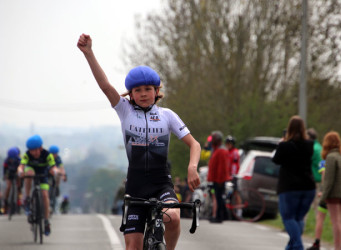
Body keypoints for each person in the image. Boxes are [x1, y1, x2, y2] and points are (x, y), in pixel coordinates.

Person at [77, 33, 201, 250]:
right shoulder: (124, 111)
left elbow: (195, 144)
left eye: (148, 89)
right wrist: (89, 54)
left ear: (156, 91)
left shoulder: (167, 115)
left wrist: (192, 167)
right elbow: (105, 86)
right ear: (131, 95)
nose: (143, 94)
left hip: (161, 183)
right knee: (133, 246)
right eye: (138, 90)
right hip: (136, 186)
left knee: (173, 215)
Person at [272, 115, 316, 250]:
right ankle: (291, 246)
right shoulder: (309, 145)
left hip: (289, 187)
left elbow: (276, 160)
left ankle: (297, 245)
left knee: (288, 218)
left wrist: (281, 144)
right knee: (298, 219)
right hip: (308, 187)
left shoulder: (284, 146)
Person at [17, 134, 58, 236]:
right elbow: (21, 166)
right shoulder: (27, 155)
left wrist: (54, 171)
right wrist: (20, 171)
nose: (33, 153)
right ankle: (27, 198)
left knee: (45, 195)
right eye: (31, 150)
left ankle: (46, 221)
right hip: (31, 171)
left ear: (40, 148)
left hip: (43, 174)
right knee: (29, 174)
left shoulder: (47, 155)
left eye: (35, 150)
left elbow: (53, 167)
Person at [319, 131, 341, 250]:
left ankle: (337, 247)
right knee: (339, 219)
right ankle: (340, 246)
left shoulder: (331, 157)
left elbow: (329, 180)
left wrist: (324, 195)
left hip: (334, 193)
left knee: (335, 221)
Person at [207, 131, 230, 223]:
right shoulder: (216, 150)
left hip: (219, 180)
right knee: (217, 197)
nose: (211, 141)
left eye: (213, 139)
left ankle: (219, 217)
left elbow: (222, 168)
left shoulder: (221, 151)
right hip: (215, 180)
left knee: (219, 198)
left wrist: (220, 181)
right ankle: (220, 215)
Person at [307, 160, 328, 250]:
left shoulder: (324, 161)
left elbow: (324, 174)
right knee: (337, 220)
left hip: (328, 191)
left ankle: (317, 243)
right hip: (340, 193)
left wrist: (322, 190)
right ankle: (339, 245)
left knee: (320, 217)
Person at [2, 147, 21, 214]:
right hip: (9, 174)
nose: (11, 160)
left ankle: (19, 196)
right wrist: (4, 176)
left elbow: (21, 169)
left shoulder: (19, 160)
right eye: (10, 158)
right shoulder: (6, 160)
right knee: (8, 186)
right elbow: (4, 169)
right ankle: (6, 200)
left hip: (16, 173)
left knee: (19, 183)